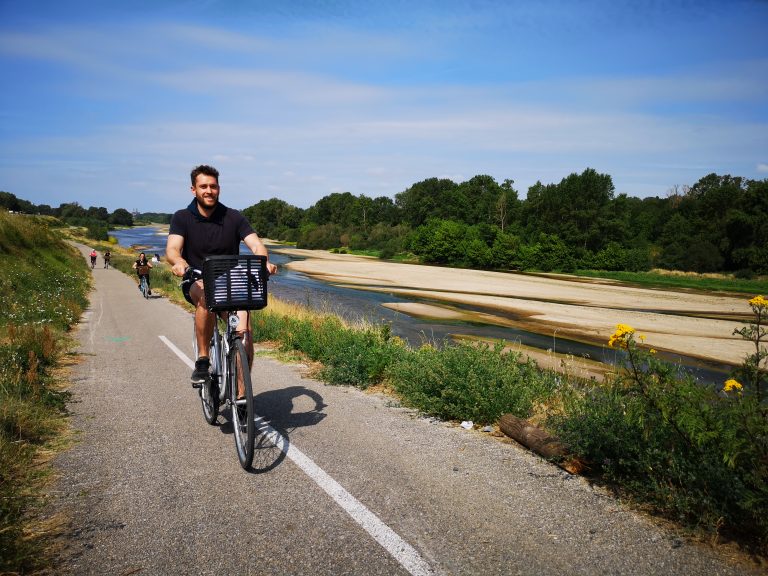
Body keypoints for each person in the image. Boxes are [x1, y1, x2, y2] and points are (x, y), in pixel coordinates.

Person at [166, 164, 277, 386]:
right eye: (203, 186)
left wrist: (264, 262)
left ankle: (242, 397)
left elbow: (256, 245)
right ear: (193, 190)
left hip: (230, 283)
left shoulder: (234, 217)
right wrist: (179, 263)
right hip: (196, 279)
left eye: (213, 186)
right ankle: (203, 360)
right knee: (207, 297)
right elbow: (172, 249)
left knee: (244, 333)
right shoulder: (182, 217)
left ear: (219, 188)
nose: (209, 190)